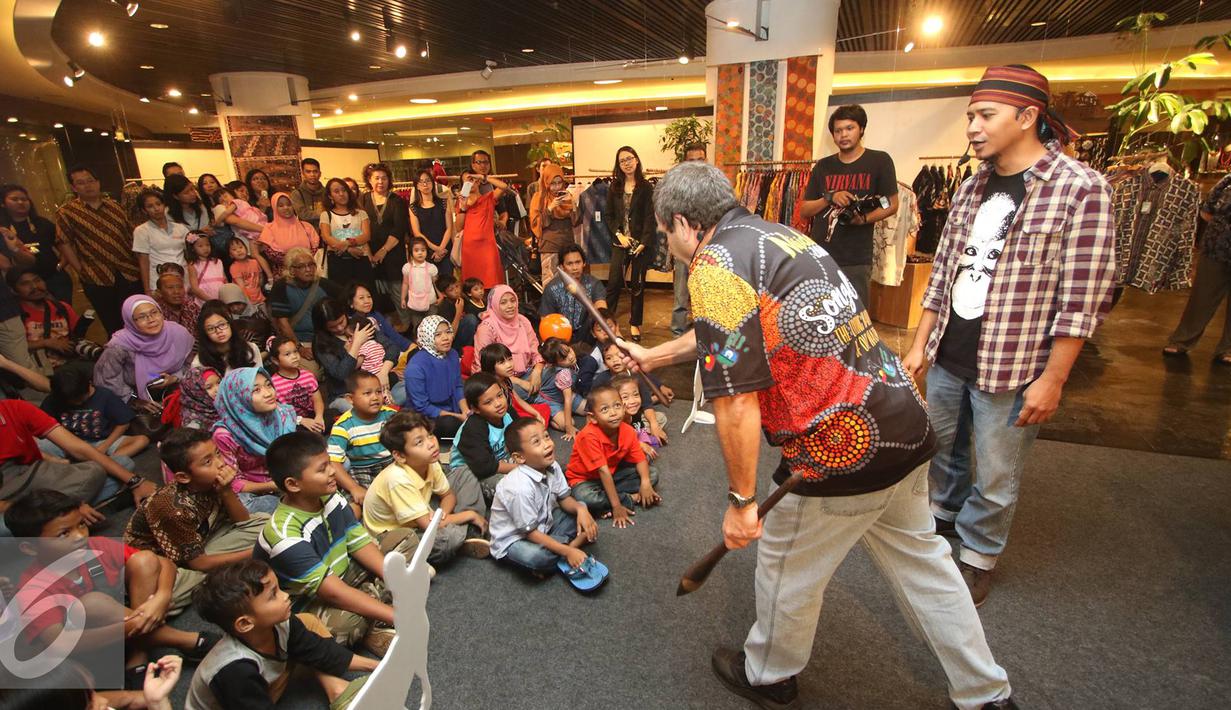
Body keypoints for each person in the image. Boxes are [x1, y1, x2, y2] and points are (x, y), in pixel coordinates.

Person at [626, 159, 1014, 709]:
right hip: (903, 421)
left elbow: (735, 400)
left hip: (839, 448)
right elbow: (730, 329)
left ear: (684, 222)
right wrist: (653, 353)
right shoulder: (778, 236)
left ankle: (768, 675)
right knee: (926, 563)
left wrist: (742, 501)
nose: (670, 246)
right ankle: (988, 693)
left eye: (666, 233)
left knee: (785, 567)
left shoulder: (714, 266)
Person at [901, 65, 1115, 608]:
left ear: (1027, 117)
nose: (972, 126)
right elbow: (945, 270)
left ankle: (979, 554)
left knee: (997, 468)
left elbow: (1083, 297)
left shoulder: (1081, 188)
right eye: (971, 114)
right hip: (951, 351)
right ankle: (942, 519)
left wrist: (1054, 379)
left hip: (1016, 362)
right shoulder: (973, 185)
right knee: (942, 445)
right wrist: (920, 342)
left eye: (984, 115)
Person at [6, 489, 214, 679]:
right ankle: (184, 640)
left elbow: (164, 563)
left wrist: (162, 597)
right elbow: (59, 644)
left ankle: (137, 653)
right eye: (63, 534)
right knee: (93, 603)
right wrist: (132, 625)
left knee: (146, 560)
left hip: (124, 614)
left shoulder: (95, 547)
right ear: (30, 548)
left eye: (81, 525)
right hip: (91, 645)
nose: (80, 537)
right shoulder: (32, 588)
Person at [255, 430, 409, 655]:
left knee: (405, 539)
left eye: (329, 463)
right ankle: (372, 618)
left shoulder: (330, 496)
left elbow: (358, 542)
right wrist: (396, 615)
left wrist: (397, 581)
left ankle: (371, 607)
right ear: (293, 484)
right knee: (347, 623)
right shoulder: (284, 535)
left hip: (342, 573)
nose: (332, 472)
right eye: (322, 469)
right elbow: (331, 592)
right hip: (312, 600)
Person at [186, 559, 376, 710]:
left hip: (263, 684)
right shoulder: (235, 671)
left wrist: (380, 666)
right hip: (239, 701)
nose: (285, 596)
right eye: (273, 595)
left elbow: (322, 651)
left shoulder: (281, 623)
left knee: (306, 623)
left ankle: (336, 688)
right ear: (245, 623)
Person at [124, 427, 268, 611]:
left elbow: (243, 521)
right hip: (164, 565)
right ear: (183, 477)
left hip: (204, 539)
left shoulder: (209, 481)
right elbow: (197, 563)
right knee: (186, 585)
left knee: (262, 521)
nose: (220, 464)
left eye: (217, 454)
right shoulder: (172, 508)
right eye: (208, 462)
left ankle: (223, 570)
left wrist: (226, 491)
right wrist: (257, 552)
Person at [0, 392, 154, 531]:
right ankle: (69, 518)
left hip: (35, 479)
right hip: (9, 501)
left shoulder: (14, 408)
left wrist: (135, 482)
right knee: (8, 528)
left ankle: (64, 524)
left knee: (123, 463)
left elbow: (78, 448)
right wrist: (60, 507)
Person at [798, 104, 900, 305]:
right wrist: (829, 197)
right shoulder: (823, 166)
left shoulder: (879, 161)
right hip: (821, 255)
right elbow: (805, 210)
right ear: (833, 135)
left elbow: (892, 204)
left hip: (856, 258)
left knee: (856, 318)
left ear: (861, 129)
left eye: (849, 128)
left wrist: (863, 219)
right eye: (838, 130)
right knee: (820, 315)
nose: (843, 135)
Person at [363, 410, 489, 564]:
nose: (431, 444)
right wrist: (468, 515)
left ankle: (462, 535)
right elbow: (429, 526)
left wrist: (441, 515)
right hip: (397, 535)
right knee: (446, 539)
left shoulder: (430, 461)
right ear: (400, 456)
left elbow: (448, 495)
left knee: (465, 473)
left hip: (422, 514)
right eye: (419, 442)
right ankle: (468, 533)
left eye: (430, 435)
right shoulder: (397, 479)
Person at [489, 417, 599, 575]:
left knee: (583, 508)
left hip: (544, 523)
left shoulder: (552, 465)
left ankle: (561, 551)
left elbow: (564, 498)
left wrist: (581, 510)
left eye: (546, 436)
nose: (547, 444)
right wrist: (567, 552)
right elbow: (530, 533)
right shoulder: (518, 488)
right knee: (537, 557)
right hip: (516, 538)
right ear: (519, 457)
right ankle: (568, 548)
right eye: (537, 442)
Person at [55, 165, 142, 335]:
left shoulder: (115, 207)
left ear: (98, 182)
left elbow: (130, 236)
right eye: (81, 183)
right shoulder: (67, 212)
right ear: (73, 187)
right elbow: (63, 242)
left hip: (129, 272)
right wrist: (80, 270)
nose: (88, 186)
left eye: (91, 181)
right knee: (114, 326)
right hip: (97, 276)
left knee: (137, 319)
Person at [562, 384, 659, 528]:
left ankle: (606, 503)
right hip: (585, 480)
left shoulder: (628, 431)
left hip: (613, 475)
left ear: (624, 407)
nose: (613, 413)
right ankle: (632, 498)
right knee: (585, 497)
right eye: (604, 409)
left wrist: (645, 483)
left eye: (617, 406)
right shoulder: (588, 436)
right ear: (593, 418)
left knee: (652, 474)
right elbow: (603, 470)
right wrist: (617, 506)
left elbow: (639, 459)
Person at [1164, 172, 1231, 363]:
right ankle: (1182, 340)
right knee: (1202, 296)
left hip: (1218, 242)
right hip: (1216, 248)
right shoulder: (1226, 181)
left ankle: (1228, 348)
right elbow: (1206, 212)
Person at [211, 367, 294, 514]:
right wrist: (274, 485)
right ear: (238, 398)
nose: (268, 393)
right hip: (253, 490)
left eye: (268, 385)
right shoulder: (225, 435)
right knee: (269, 505)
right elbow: (233, 483)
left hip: (282, 477)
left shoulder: (281, 414)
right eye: (256, 390)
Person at [93, 294, 195, 406]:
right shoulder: (120, 345)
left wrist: (175, 378)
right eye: (142, 317)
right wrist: (134, 400)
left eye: (154, 312)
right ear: (130, 321)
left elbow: (192, 363)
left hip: (176, 386)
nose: (151, 320)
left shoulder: (178, 333)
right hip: (135, 395)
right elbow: (107, 379)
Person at [40, 362, 148, 465]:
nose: (77, 403)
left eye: (80, 399)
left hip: (100, 442)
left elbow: (124, 423)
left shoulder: (104, 395)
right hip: (69, 443)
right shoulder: (55, 399)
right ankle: (91, 463)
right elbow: (43, 425)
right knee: (37, 444)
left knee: (142, 440)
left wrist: (104, 446)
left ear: (89, 385)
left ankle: (103, 462)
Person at [604, 146, 656, 342]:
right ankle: (609, 323)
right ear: (618, 165)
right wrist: (618, 235)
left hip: (639, 244)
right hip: (620, 242)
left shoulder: (645, 187)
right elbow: (608, 216)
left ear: (636, 160)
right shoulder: (614, 187)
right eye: (622, 160)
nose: (626, 163)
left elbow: (651, 217)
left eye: (629, 159)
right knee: (614, 282)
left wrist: (644, 242)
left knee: (637, 284)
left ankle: (635, 323)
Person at [312, 298, 401, 408]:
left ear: (344, 314)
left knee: (410, 387)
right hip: (347, 394)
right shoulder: (322, 343)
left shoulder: (357, 323)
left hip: (378, 384)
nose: (340, 328)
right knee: (355, 408)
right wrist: (357, 343)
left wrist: (383, 372)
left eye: (341, 322)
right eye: (332, 327)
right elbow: (341, 373)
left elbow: (392, 347)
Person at [449, 372, 522, 504]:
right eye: (488, 402)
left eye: (500, 396)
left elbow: (521, 437)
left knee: (540, 461)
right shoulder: (474, 427)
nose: (498, 404)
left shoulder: (508, 413)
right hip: (471, 471)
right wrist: (522, 468)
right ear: (476, 409)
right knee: (512, 490)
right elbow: (484, 467)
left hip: (497, 460)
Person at [268, 247, 342, 368]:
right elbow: (282, 323)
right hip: (300, 341)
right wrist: (299, 347)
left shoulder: (323, 284)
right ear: (292, 270)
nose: (308, 269)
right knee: (313, 373)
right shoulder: (281, 286)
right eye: (302, 266)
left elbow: (347, 296)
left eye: (311, 265)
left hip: (326, 339)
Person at [327, 370, 399, 495]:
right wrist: (354, 488)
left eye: (378, 392)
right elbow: (334, 461)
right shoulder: (343, 426)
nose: (375, 397)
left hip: (392, 462)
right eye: (367, 393)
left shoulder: (390, 415)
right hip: (362, 469)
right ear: (350, 399)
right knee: (365, 499)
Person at [2, 183, 72, 302]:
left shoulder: (42, 223)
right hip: (25, 285)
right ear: (3, 203)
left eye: (24, 199)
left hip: (55, 279)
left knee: (63, 315)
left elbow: (65, 246)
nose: (21, 202)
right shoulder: (3, 230)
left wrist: (60, 266)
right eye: (14, 199)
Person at [361, 163, 413, 318]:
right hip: (370, 256)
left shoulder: (396, 201)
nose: (380, 182)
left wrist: (383, 251)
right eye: (376, 178)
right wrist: (369, 253)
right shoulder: (362, 200)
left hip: (393, 255)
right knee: (376, 294)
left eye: (384, 178)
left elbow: (398, 229)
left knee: (399, 293)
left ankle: (407, 326)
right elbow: (359, 226)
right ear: (369, 180)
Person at [403, 315, 467, 439]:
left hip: (451, 406)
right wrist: (457, 416)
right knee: (450, 425)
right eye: (438, 335)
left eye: (448, 332)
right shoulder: (416, 367)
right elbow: (421, 406)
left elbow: (458, 386)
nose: (445, 338)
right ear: (427, 338)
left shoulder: (452, 354)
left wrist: (465, 411)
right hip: (426, 416)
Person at [472, 284, 542, 395]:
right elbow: (484, 369)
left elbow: (536, 351)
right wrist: (518, 382)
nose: (510, 306)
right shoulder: (486, 328)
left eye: (513, 301)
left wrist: (537, 372)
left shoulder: (522, 320)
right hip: (500, 380)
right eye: (503, 302)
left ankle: (539, 397)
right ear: (494, 305)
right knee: (512, 390)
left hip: (527, 372)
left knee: (560, 373)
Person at [9, 267, 80, 374]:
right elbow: (10, 347)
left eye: (37, 280)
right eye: (25, 284)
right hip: (36, 374)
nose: (35, 287)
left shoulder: (63, 308)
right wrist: (46, 343)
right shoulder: (14, 317)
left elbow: (79, 336)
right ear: (14, 290)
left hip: (70, 368)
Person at [671, 144, 708, 335]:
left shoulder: (714, 185)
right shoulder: (678, 186)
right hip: (685, 242)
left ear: (706, 160)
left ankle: (705, 335)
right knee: (681, 294)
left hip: (708, 244)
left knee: (707, 292)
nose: (696, 164)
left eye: (700, 160)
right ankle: (678, 334)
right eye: (691, 161)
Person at [539, 244, 607, 344]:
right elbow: (545, 320)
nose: (575, 267)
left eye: (578, 262)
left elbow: (602, 309)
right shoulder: (551, 288)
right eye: (569, 264)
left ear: (584, 263)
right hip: (560, 339)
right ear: (562, 267)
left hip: (589, 337)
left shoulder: (594, 283)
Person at [529, 162, 580, 285]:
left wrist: (573, 204)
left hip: (568, 247)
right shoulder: (539, 198)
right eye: (553, 183)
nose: (557, 187)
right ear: (546, 182)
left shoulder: (567, 197)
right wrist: (550, 208)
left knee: (570, 285)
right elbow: (537, 224)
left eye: (559, 183)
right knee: (551, 286)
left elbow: (576, 221)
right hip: (549, 247)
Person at [457, 169, 508, 289]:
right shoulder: (461, 202)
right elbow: (459, 226)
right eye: (467, 180)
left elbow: (504, 186)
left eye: (473, 179)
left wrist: (483, 176)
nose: (471, 182)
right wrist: (463, 208)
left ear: (478, 181)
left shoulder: (488, 198)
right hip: (469, 250)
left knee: (493, 284)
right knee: (471, 287)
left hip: (487, 248)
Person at [132, 189, 189, 293]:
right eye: (150, 206)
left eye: (158, 204)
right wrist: (147, 289)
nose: (156, 208)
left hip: (184, 278)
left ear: (164, 205)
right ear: (144, 210)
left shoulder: (180, 228)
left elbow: (190, 255)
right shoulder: (141, 231)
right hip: (159, 281)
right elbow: (143, 261)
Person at [320, 177, 374, 286]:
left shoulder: (361, 213)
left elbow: (366, 236)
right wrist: (348, 249)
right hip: (338, 262)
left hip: (361, 260)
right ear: (330, 196)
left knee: (364, 294)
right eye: (336, 191)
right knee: (342, 295)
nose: (341, 194)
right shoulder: (326, 215)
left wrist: (347, 243)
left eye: (344, 190)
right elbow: (326, 237)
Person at [268, 334, 325, 433]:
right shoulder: (273, 384)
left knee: (334, 415)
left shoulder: (308, 375)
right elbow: (278, 413)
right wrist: (301, 421)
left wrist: (319, 417)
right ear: (275, 360)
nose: (294, 356)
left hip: (312, 416)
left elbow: (317, 400)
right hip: (292, 421)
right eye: (287, 354)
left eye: (295, 351)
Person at [480, 342, 549, 424]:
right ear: (490, 366)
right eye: (502, 363)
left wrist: (536, 414)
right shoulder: (492, 387)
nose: (509, 365)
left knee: (544, 410)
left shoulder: (506, 380)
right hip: (501, 418)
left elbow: (518, 400)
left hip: (511, 412)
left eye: (510, 359)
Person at [257, 193, 321, 279]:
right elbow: (271, 253)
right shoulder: (269, 229)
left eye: (289, 204)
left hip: (309, 273)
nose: (286, 208)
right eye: (281, 205)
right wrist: (298, 261)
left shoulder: (306, 226)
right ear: (274, 208)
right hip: (284, 276)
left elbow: (316, 249)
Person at [534, 337, 585, 440]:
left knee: (587, 409)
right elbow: (567, 399)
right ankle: (551, 418)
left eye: (569, 351)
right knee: (570, 423)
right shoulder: (563, 373)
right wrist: (569, 427)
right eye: (564, 358)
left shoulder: (569, 364)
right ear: (555, 363)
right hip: (550, 401)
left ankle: (565, 413)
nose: (570, 357)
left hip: (564, 394)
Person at [408, 167, 453, 281]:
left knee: (448, 284)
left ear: (432, 183)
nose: (425, 184)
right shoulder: (413, 208)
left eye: (428, 180)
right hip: (426, 251)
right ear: (417, 186)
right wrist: (435, 249)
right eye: (421, 182)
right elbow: (417, 232)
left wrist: (441, 248)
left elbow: (449, 228)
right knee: (430, 286)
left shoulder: (443, 202)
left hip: (445, 249)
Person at [348, 281, 411, 355]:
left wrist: (411, 346)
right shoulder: (352, 324)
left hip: (395, 352)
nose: (367, 301)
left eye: (369, 296)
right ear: (351, 303)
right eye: (361, 298)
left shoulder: (375, 315)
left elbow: (393, 335)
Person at [612, 374, 663, 460]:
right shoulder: (615, 421)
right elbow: (617, 443)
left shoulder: (635, 414)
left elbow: (640, 428)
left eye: (636, 395)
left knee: (661, 418)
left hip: (633, 436)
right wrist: (639, 444)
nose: (633, 401)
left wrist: (646, 441)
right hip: (619, 449)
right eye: (625, 397)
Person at [401, 237, 438, 337]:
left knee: (432, 325)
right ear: (411, 252)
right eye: (416, 250)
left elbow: (436, 283)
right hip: (414, 302)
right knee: (417, 326)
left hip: (431, 302)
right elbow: (405, 283)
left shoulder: (431, 267)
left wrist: (440, 296)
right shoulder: (407, 267)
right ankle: (419, 345)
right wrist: (403, 298)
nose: (420, 253)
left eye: (423, 250)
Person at [226, 240, 270, 314]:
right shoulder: (234, 267)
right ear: (231, 255)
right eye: (234, 249)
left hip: (260, 298)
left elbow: (261, 277)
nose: (239, 250)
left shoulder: (254, 262)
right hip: (246, 301)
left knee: (266, 319)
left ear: (246, 248)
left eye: (241, 247)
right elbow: (241, 287)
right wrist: (248, 302)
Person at [184, 232, 226, 305]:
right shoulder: (193, 265)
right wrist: (210, 300)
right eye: (200, 246)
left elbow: (225, 280)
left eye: (207, 245)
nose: (205, 248)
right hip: (204, 299)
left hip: (221, 296)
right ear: (193, 248)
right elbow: (195, 288)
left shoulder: (218, 261)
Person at [291, 158, 328, 230]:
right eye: (308, 171)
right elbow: (303, 215)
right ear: (303, 173)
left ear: (320, 173)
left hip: (327, 231)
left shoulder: (327, 192)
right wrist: (324, 214)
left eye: (315, 171)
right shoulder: (297, 194)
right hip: (306, 233)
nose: (312, 174)